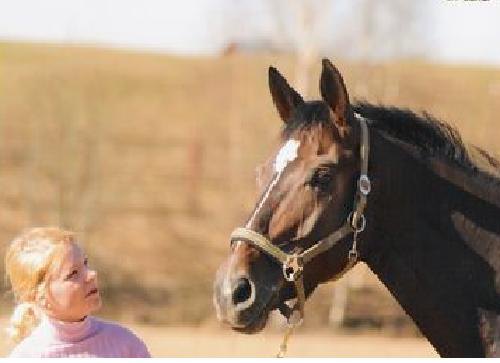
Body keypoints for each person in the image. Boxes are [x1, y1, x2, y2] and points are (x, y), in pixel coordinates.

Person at [5, 227, 151, 357]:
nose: (92, 274)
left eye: (85, 264)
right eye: (73, 273)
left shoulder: (125, 344)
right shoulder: (27, 356)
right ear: (39, 296)